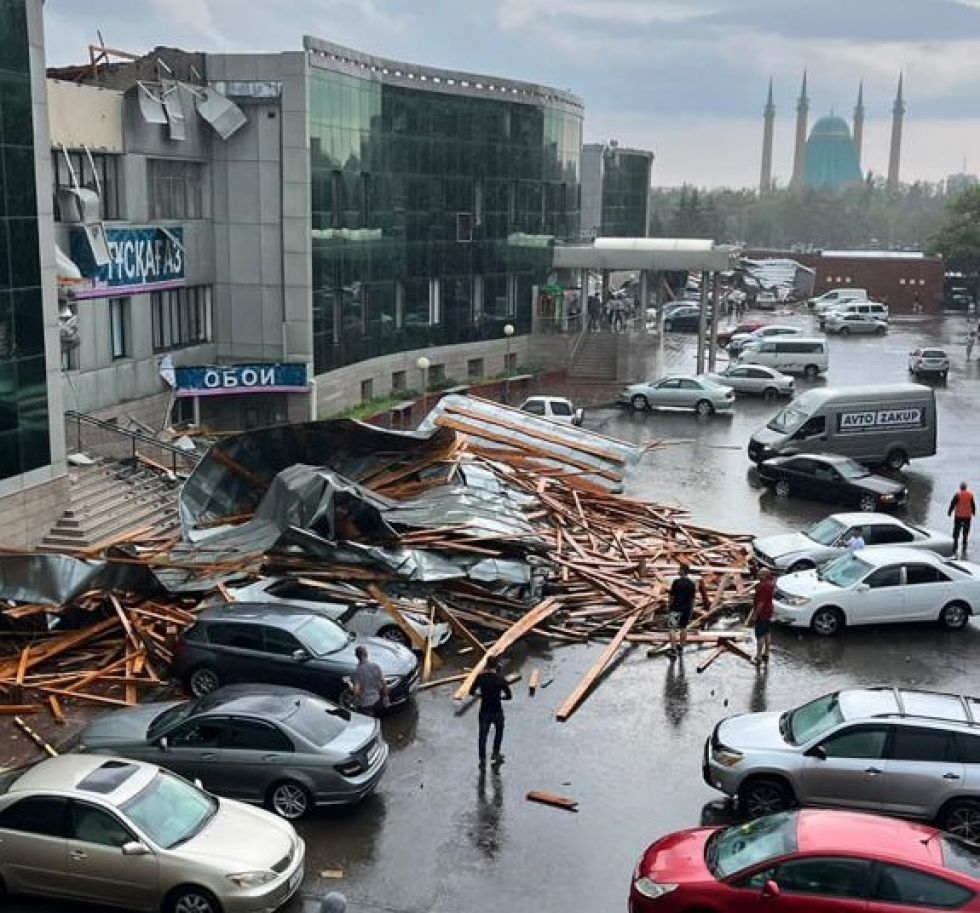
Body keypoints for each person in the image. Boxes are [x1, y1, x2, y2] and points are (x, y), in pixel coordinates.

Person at [470, 657, 512, 767]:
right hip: (497, 710)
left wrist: (480, 695)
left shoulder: (480, 677)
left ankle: (482, 759)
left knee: (483, 736)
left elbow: (471, 692)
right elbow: (509, 696)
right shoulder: (500, 679)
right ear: (496, 666)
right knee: (499, 732)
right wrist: (500, 697)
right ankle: (495, 753)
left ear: (486, 666)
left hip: (484, 710)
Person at [746, 567, 775, 666]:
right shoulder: (771, 583)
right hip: (769, 611)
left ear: (765, 575)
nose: (758, 575)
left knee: (760, 635)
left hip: (762, 614)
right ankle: (766, 654)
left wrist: (754, 615)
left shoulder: (763, 587)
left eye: (761, 574)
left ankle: (758, 657)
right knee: (767, 632)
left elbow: (760, 603)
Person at [667, 563, 697, 658]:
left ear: (683, 571)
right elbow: (692, 599)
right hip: (686, 609)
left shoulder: (676, 582)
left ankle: (673, 649)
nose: (678, 571)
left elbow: (672, 596)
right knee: (684, 628)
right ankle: (681, 647)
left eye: (680, 569)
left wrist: (669, 605)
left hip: (676, 608)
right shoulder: (692, 584)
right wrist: (691, 610)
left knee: (672, 628)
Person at [351, 645, 388, 717]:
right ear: (366, 654)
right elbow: (384, 682)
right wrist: (386, 696)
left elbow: (356, 690)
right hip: (377, 700)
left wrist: (355, 699)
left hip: (365, 704)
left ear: (357, 657)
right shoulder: (375, 666)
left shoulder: (357, 672)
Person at [949, 481, 977, 558]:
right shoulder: (970, 495)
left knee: (956, 531)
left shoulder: (957, 495)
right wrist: (974, 512)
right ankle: (964, 546)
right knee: (965, 531)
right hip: (967, 516)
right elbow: (973, 505)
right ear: (966, 487)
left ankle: (955, 546)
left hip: (958, 516)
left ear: (960, 487)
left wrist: (949, 512)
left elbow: (952, 504)